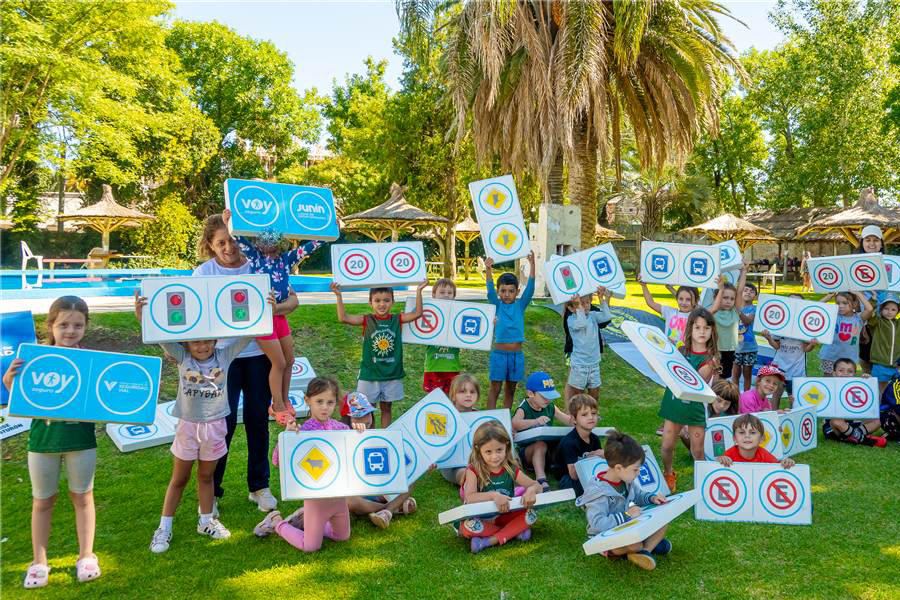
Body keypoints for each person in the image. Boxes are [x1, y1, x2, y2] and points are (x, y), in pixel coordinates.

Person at [135, 293, 262, 554]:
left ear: (215, 340)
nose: (202, 346)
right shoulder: (183, 357)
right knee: (179, 479)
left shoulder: (225, 356)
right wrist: (141, 313)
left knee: (206, 477)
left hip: (215, 427)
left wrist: (265, 306)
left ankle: (206, 522)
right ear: (187, 343)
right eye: (196, 341)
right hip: (188, 427)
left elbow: (251, 331)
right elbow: (157, 335)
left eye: (207, 340)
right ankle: (164, 528)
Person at [194, 214, 299, 514]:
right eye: (221, 243)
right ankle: (212, 492)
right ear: (210, 245)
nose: (228, 248)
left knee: (257, 423)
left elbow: (293, 300)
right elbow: (196, 316)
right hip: (222, 359)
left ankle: (259, 487)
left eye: (232, 240)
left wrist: (275, 309)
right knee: (221, 426)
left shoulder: (259, 263)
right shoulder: (203, 273)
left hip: (257, 355)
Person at [2, 296, 101, 587]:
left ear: (86, 326)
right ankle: (39, 562)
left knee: (83, 497)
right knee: (43, 501)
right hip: (43, 442)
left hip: (81, 441)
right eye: (64, 325)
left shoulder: (93, 361)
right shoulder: (35, 360)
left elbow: (103, 400)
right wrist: (10, 382)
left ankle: (86, 556)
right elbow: (22, 400)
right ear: (51, 326)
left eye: (78, 325)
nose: (70, 330)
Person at [223, 209, 322, 426]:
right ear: (259, 244)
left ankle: (285, 400)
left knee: (290, 361)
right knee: (279, 362)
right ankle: (277, 405)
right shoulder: (255, 258)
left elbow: (309, 247)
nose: (269, 247)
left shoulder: (286, 259)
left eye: (274, 242)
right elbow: (238, 239)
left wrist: (330, 230)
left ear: (280, 244)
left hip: (279, 317)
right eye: (265, 242)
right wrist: (228, 221)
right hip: (263, 319)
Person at [253, 377, 357, 552]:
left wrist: (360, 433)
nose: (325, 407)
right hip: (316, 499)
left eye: (330, 402)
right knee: (310, 546)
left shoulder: (342, 429)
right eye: (319, 401)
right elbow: (277, 461)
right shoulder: (302, 432)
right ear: (307, 400)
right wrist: (287, 436)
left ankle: (306, 521)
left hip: (339, 498)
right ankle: (277, 522)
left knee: (342, 536)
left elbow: (355, 456)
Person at [331, 281, 427, 427]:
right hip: (370, 374)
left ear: (393, 302)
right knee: (365, 410)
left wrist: (419, 291)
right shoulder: (367, 320)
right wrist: (338, 295)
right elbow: (343, 318)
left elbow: (418, 313)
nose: (382, 304)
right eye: (377, 301)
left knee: (386, 409)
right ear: (370, 303)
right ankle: (370, 436)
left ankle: (385, 436)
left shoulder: (397, 319)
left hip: (391, 374)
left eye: (386, 300)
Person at [576, 432, 670, 571]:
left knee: (664, 519)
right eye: (635, 469)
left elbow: (638, 495)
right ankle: (644, 547)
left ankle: (645, 551)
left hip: (625, 527)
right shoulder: (598, 491)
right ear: (619, 468)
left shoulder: (625, 480)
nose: (638, 473)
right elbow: (597, 524)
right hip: (603, 536)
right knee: (634, 544)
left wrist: (652, 498)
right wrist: (626, 516)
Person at [457, 422, 542, 553]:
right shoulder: (473, 470)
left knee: (531, 515)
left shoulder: (510, 468)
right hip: (481, 519)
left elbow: (537, 486)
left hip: (504, 516)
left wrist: (531, 490)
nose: (495, 456)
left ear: (506, 446)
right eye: (488, 452)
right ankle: (513, 531)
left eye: (499, 450)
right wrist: (494, 496)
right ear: (478, 449)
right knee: (468, 526)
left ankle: (488, 541)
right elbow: (470, 497)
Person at [658, 308, 719, 492]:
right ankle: (668, 473)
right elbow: (662, 369)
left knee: (697, 451)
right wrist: (663, 352)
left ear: (712, 331)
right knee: (666, 445)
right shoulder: (679, 350)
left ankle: (706, 483)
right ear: (690, 328)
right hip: (674, 403)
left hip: (694, 407)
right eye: (697, 327)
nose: (702, 332)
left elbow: (694, 382)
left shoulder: (711, 359)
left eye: (706, 328)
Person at [484, 252, 536, 409]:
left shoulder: (520, 305)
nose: (506, 294)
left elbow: (530, 288)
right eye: (503, 290)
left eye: (511, 291)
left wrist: (532, 264)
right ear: (499, 291)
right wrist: (488, 269)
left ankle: (505, 418)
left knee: (510, 391)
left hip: (516, 356)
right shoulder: (497, 305)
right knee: (495, 389)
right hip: (499, 355)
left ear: (517, 292)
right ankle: (490, 419)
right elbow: (490, 290)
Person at [511, 372, 573, 492]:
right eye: (544, 396)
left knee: (565, 441)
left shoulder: (550, 406)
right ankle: (541, 479)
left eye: (550, 396)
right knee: (540, 444)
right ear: (530, 394)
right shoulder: (524, 408)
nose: (548, 400)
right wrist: (535, 421)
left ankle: (566, 470)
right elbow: (514, 423)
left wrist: (580, 421)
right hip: (528, 453)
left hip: (547, 451)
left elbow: (567, 419)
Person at [759, 294, 817, 400]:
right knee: (776, 394)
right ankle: (774, 411)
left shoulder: (805, 325)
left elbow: (805, 349)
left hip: (797, 369)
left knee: (794, 397)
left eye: (797, 303)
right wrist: (769, 338)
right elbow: (777, 346)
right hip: (779, 366)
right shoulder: (780, 323)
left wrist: (812, 345)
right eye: (791, 301)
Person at [821, 358, 888, 447]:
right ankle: (865, 440)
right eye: (841, 370)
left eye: (850, 371)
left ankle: (851, 436)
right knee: (836, 421)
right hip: (833, 427)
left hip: (853, 425)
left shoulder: (857, 387)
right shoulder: (828, 388)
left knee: (879, 420)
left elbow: (873, 400)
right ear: (834, 373)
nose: (845, 373)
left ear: (854, 374)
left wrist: (869, 383)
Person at [563, 287, 613, 402]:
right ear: (571, 308)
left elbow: (607, 317)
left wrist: (602, 299)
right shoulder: (571, 320)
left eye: (587, 302)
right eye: (581, 303)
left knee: (595, 395)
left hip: (594, 364)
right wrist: (579, 307)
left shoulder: (593, 316)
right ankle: (576, 413)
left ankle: (592, 412)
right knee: (578, 397)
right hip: (579, 366)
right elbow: (582, 323)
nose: (585, 306)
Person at [552, 394, 604, 496]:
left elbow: (599, 465)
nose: (591, 417)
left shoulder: (594, 438)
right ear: (574, 419)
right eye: (584, 415)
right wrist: (591, 457)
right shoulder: (569, 442)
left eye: (593, 413)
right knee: (584, 486)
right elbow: (574, 475)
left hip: (589, 472)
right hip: (567, 477)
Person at [439, 374, 481, 486]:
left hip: (478, 461)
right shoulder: (445, 418)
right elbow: (436, 444)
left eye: (472, 392)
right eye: (462, 392)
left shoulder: (481, 417)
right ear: (453, 396)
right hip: (453, 465)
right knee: (465, 474)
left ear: (477, 396)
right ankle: (472, 486)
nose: (468, 395)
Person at [855, 225, 887, 373]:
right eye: (868, 240)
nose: (872, 243)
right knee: (865, 361)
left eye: (876, 240)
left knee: (884, 363)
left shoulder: (890, 263)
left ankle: (882, 388)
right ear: (862, 242)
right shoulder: (853, 263)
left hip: (884, 320)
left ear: (881, 243)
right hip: (863, 319)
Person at [422, 278, 462, 395]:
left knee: (452, 399)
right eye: (442, 292)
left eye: (450, 293)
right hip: (433, 367)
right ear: (433, 295)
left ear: (454, 296)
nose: (446, 295)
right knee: (434, 400)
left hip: (452, 367)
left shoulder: (458, 316)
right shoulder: (428, 315)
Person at [818, 291, 873, 375]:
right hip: (830, 357)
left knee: (846, 381)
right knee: (829, 380)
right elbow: (816, 308)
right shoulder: (833, 316)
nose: (840, 306)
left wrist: (858, 294)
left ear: (854, 304)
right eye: (838, 303)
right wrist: (828, 297)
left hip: (849, 359)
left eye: (845, 303)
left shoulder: (858, 319)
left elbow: (869, 309)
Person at [709, 267, 747, 381]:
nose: (728, 301)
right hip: (714, 350)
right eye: (725, 298)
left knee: (723, 378)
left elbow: (740, 290)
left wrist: (744, 271)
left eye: (731, 299)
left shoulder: (735, 311)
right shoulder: (713, 312)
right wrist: (720, 289)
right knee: (712, 376)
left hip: (729, 351)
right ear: (716, 297)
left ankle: (720, 392)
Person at [715, 414, 795, 469]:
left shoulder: (763, 455)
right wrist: (722, 460)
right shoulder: (729, 455)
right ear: (735, 438)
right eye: (742, 432)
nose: (747, 436)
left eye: (752, 432)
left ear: (762, 439)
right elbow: (717, 466)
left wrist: (785, 462)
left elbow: (777, 466)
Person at [637, 277, 698, 347]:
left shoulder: (696, 315)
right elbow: (650, 303)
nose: (683, 303)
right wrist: (644, 286)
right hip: (669, 349)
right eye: (681, 299)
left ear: (695, 300)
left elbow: (706, 309)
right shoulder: (670, 312)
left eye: (688, 300)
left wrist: (670, 288)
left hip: (686, 351)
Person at [680, 379, 738, 449]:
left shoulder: (729, 415)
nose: (721, 406)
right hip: (702, 439)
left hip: (720, 443)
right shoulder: (702, 408)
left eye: (726, 403)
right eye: (719, 400)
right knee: (684, 432)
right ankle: (695, 451)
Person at [864, 293, 900, 395]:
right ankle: (879, 405)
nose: (889, 312)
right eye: (886, 308)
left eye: (893, 309)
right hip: (880, 364)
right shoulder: (877, 322)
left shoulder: (898, 324)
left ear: (897, 311)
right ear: (881, 309)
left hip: (896, 366)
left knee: (895, 392)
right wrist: (873, 300)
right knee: (880, 391)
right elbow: (870, 312)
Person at [734, 282, 758, 391]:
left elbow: (747, 321)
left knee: (747, 374)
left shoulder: (754, 309)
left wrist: (738, 311)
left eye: (752, 291)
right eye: (746, 290)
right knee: (735, 373)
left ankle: (746, 396)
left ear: (755, 296)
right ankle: (735, 395)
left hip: (750, 347)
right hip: (735, 347)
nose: (748, 293)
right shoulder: (733, 307)